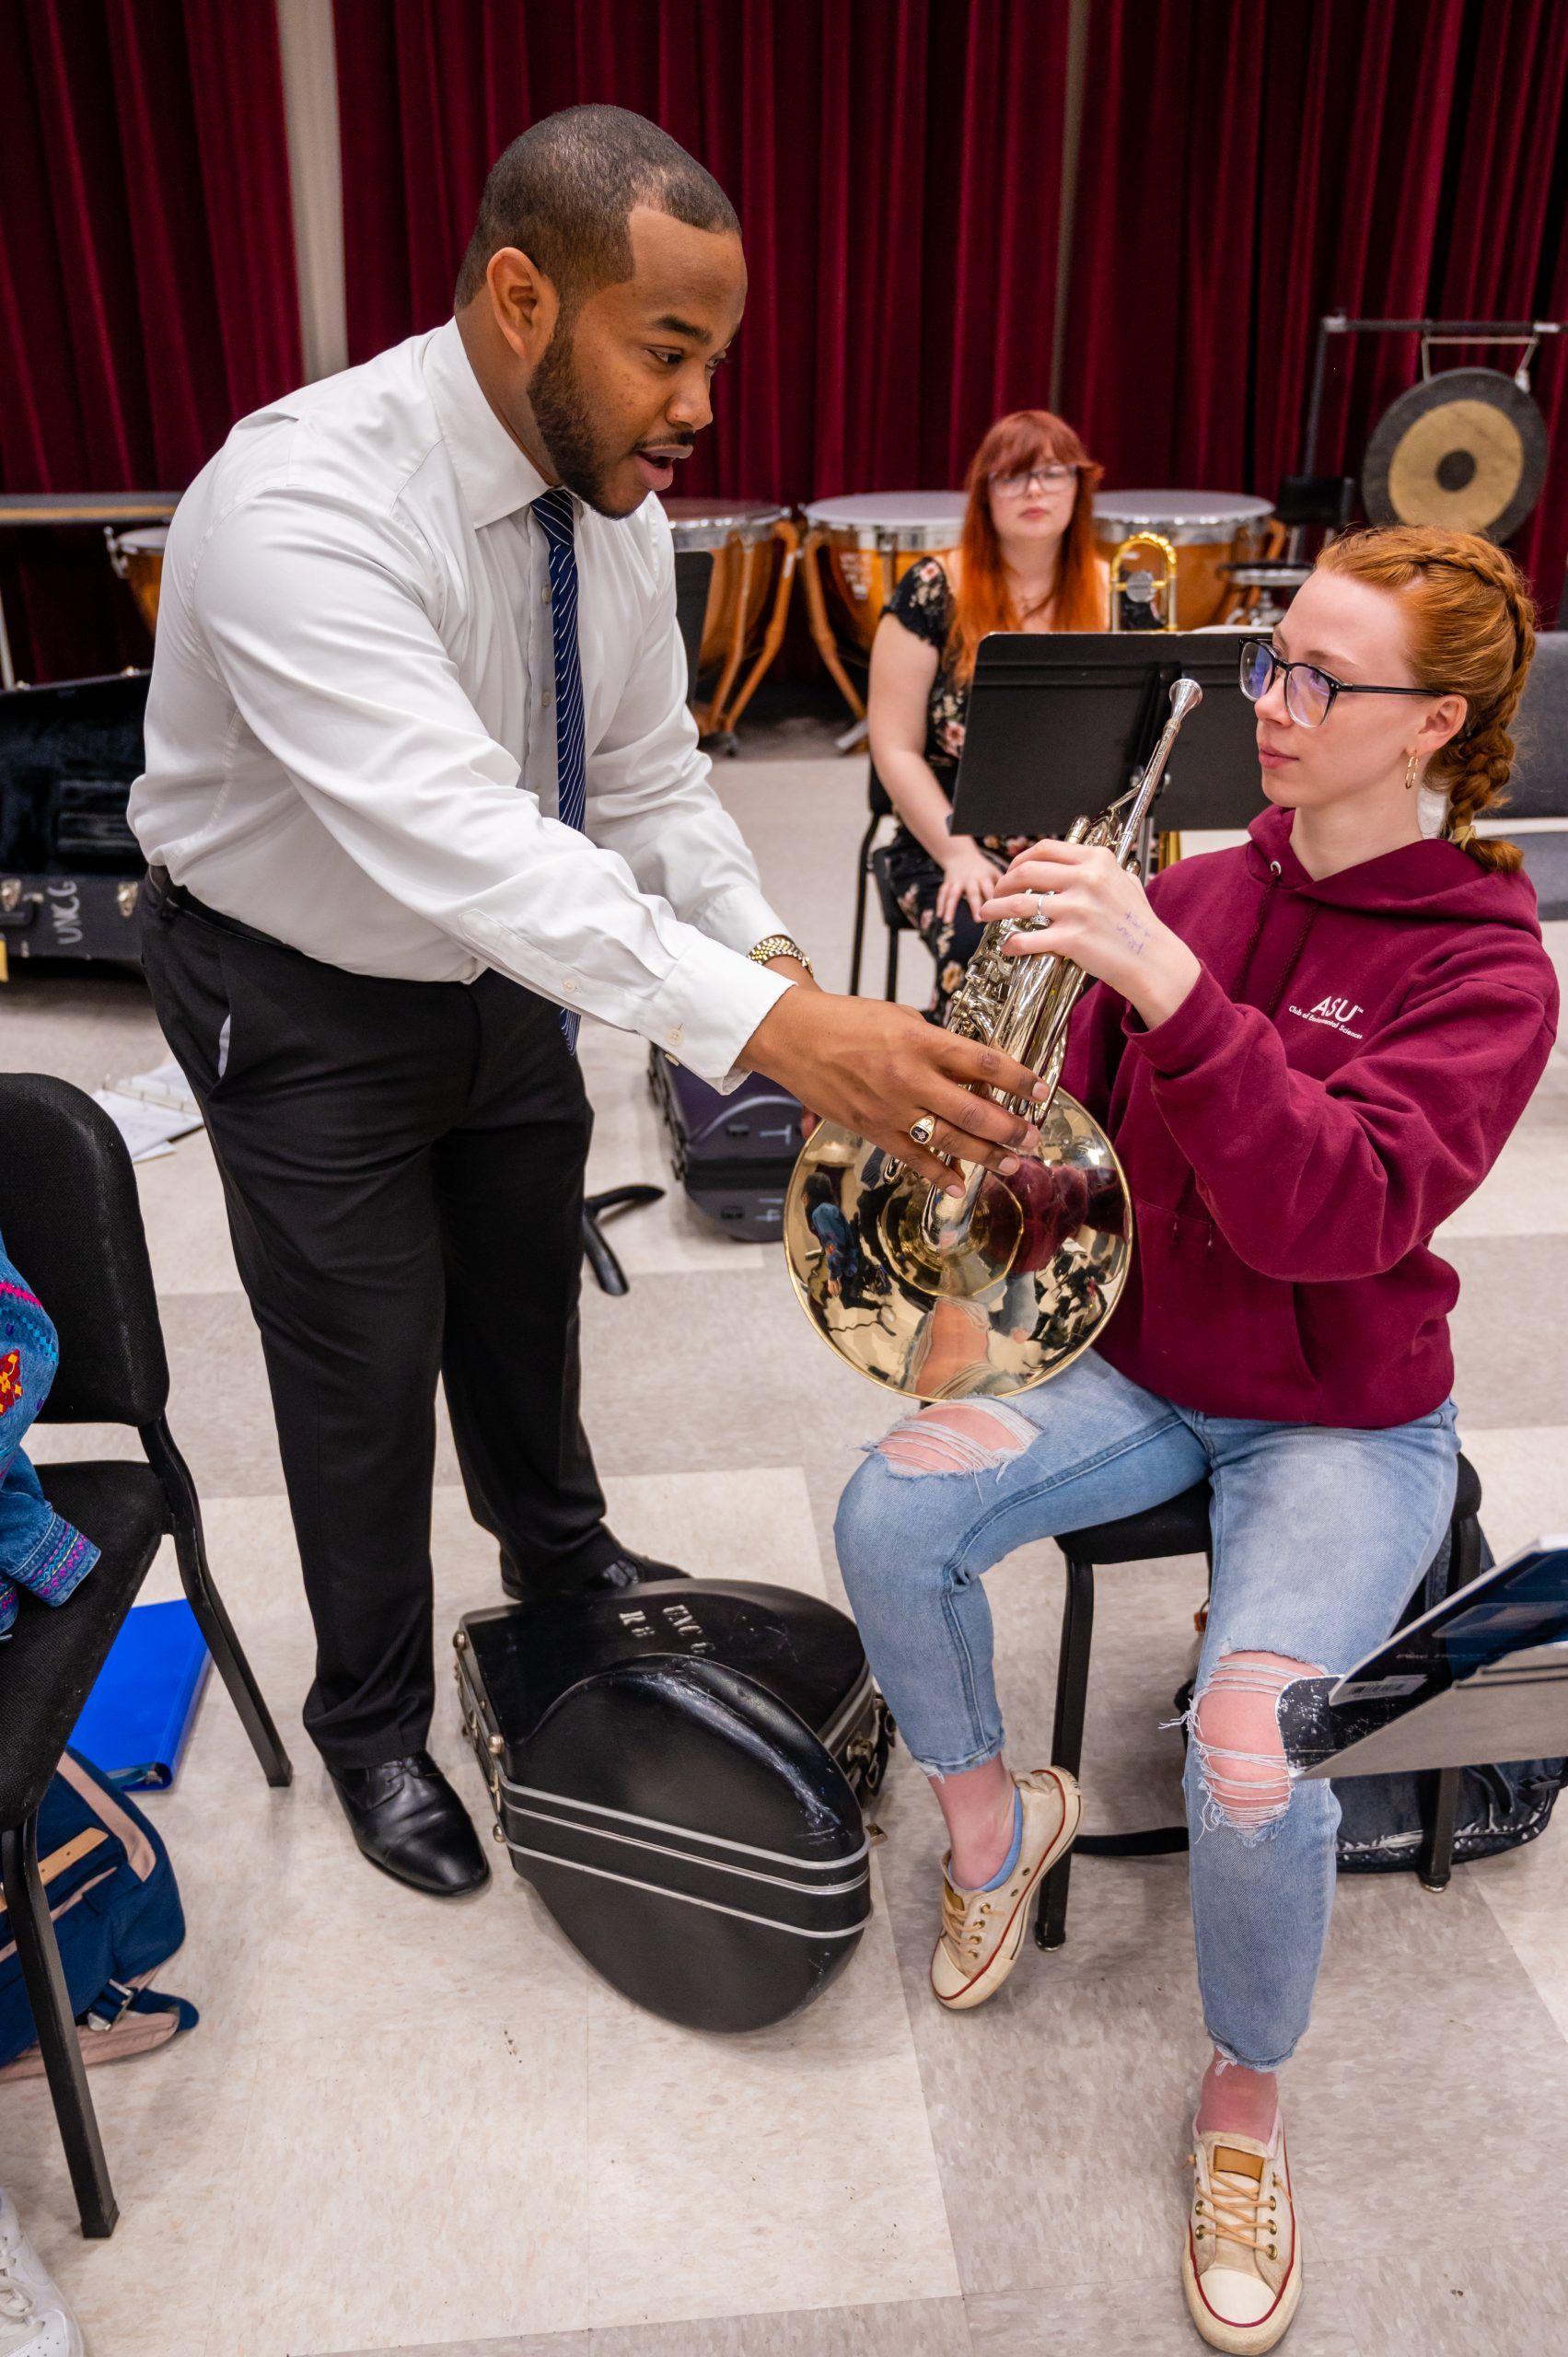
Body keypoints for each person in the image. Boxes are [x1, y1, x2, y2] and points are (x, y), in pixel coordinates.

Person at [129, 105, 1045, 1900]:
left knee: (523, 1304)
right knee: (363, 1373)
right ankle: (376, 1719)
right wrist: (781, 1037)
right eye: (669, 348)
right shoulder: (298, 496)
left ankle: (563, 1575)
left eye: (718, 352)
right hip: (298, 993)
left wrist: (770, 966)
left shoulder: (609, 509)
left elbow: (637, 789)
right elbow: (459, 837)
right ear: (523, 296)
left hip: (508, 986)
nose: (703, 402)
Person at [833, 527, 1559, 2351]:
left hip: (1344, 1414)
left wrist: (1167, 980)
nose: (1270, 707)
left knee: (1247, 1746)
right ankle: (993, 1825)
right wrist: (995, 1114)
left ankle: (1240, 2096)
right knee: (886, 1506)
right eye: (1266, 664)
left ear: (1436, 725)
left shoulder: (1484, 964)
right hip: (1140, 1361)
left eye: (1318, 681)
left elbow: (1335, 1211)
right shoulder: (1217, 888)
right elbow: (1079, 1142)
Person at [866, 409, 1108, 1023]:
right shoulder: (931, 586)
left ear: (1078, 487)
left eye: (1052, 473)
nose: (1033, 491)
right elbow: (893, 747)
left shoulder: (1114, 590)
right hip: (950, 841)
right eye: (1012, 476)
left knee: (1121, 966)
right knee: (988, 955)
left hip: (1076, 850)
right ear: (984, 494)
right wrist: (958, 855)